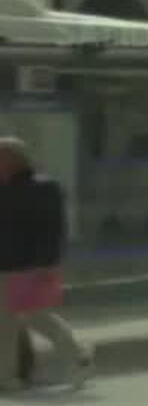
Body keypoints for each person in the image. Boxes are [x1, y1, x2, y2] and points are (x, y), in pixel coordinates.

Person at [0, 137, 93, 391]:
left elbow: (53, 228)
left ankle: (79, 357)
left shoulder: (43, 187)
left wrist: (46, 263)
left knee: (36, 317)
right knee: (5, 324)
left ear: (15, 159)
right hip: (5, 266)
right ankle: (6, 377)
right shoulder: (3, 189)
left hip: (32, 265)